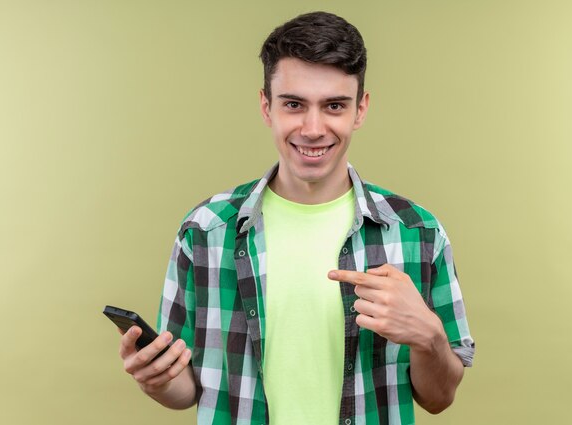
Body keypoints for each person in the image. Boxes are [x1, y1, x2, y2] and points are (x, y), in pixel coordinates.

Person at [118, 11, 475, 425]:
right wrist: (157, 380)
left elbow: (439, 398)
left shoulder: (417, 233)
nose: (312, 128)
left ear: (360, 110)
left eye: (334, 106)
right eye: (294, 104)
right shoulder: (205, 231)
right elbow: (188, 391)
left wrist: (429, 336)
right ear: (266, 106)